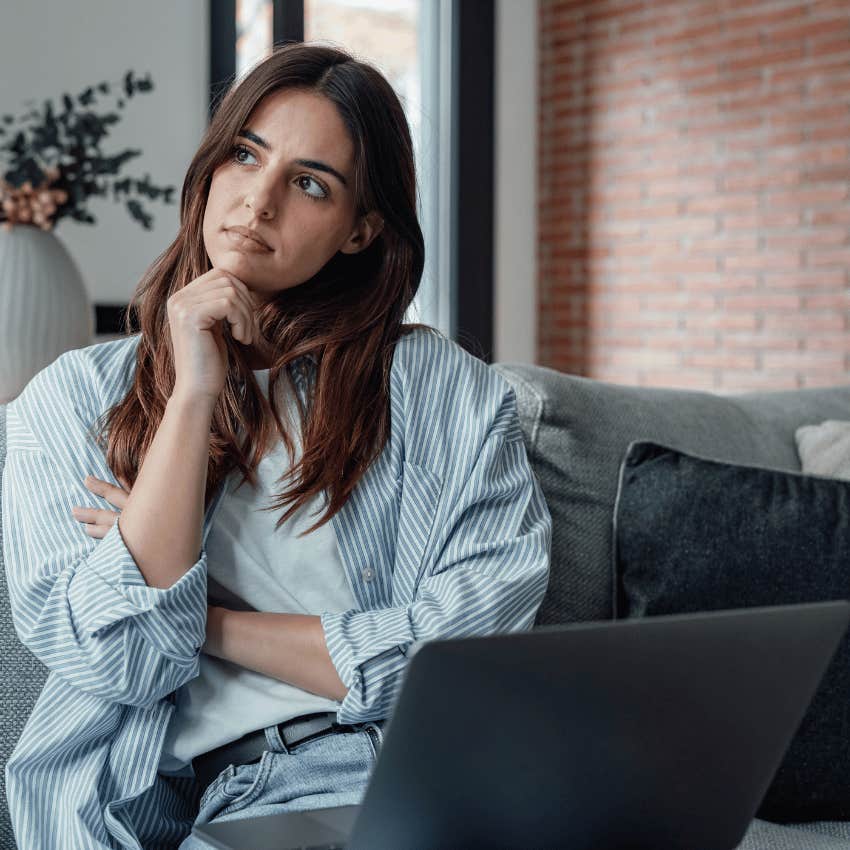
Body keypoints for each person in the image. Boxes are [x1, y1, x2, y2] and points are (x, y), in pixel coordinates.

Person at [1, 42, 552, 849]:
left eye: (308, 183)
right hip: (203, 797)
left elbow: (464, 661)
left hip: (409, 777)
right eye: (245, 154)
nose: (257, 202)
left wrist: (210, 619)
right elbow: (118, 658)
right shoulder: (73, 401)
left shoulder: (444, 392)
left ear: (361, 229)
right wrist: (192, 393)